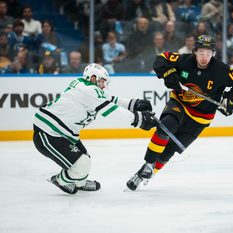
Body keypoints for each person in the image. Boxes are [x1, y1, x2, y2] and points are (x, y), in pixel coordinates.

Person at [126, 35, 233, 191]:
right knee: (165, 127)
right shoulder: (184, 60)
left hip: (201, 117)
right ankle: (149, 164)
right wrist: (167, 72)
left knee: (170, 149)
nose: (204, 57)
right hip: (180, 103)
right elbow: (161, 58)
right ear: (195, 52)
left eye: (208, 53)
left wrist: (231, 98)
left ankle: (146, 173)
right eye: (201, 52)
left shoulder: (221, 70)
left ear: (213, 53)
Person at [33, 63, 157, 194]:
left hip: (62, 133)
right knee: (82, 163)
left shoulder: (85, 88)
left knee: (84, 160)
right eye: (102, 81)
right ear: (93, 78)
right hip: (48, 134)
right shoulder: (88, 91)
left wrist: (134, 104)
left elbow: (110, 99)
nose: (104, 85)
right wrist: (139, 120)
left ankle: (80, 183)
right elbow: (111, 110)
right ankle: (61, 180)